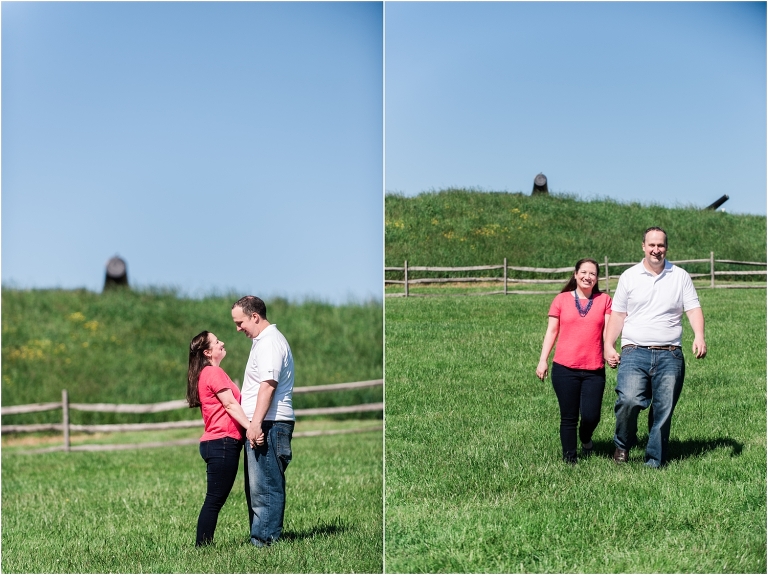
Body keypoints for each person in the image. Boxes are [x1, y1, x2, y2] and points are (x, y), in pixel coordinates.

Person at [604, 227, 707, 468]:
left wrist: (699, 336)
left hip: (670, 353)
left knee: (663, 409)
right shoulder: (629, 276)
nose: (656, 250)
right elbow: (618, 314)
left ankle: (654, 460)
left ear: (666, 248)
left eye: (660, 245)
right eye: (652, 245)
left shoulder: (680, 276)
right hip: (634, 351)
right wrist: (609, 344)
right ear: (643, 246)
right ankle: (622, 443)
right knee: (628, 401)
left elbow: (692, 309)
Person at [231, 295, 295, 547]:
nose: (238, 329)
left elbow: (268, 386)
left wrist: (255, 423)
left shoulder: (269, 343)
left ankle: (265, 542)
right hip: (264, 422)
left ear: (254, 316)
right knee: (257, 487)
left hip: (268, 423)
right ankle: (261, 537)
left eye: (240, 322)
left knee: (265, 486)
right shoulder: (263, 342)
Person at [536, 258, 613, 464]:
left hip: (594, 369)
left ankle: (585, 437)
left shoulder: (604, 300)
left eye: (593, 274)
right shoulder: (561, 300)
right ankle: (570, 459)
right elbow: (552, 331)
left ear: (597, 278)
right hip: (564, 368)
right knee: (568, 417)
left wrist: (610, 351)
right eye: (584, 273)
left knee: (591, 416)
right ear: (575, 274)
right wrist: (543, 360)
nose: (588, 277)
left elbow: (608, 332)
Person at [187, 331, 251, 547]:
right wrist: (252, 428)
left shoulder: (207, 373)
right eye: (216, 342)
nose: (222, 343)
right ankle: (202, 546)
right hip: (222, 443)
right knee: (214, 500)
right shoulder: (213, 373)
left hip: (216, 443)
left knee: (215, 499)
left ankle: (203, 545)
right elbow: (230, 404)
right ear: (207, 352)